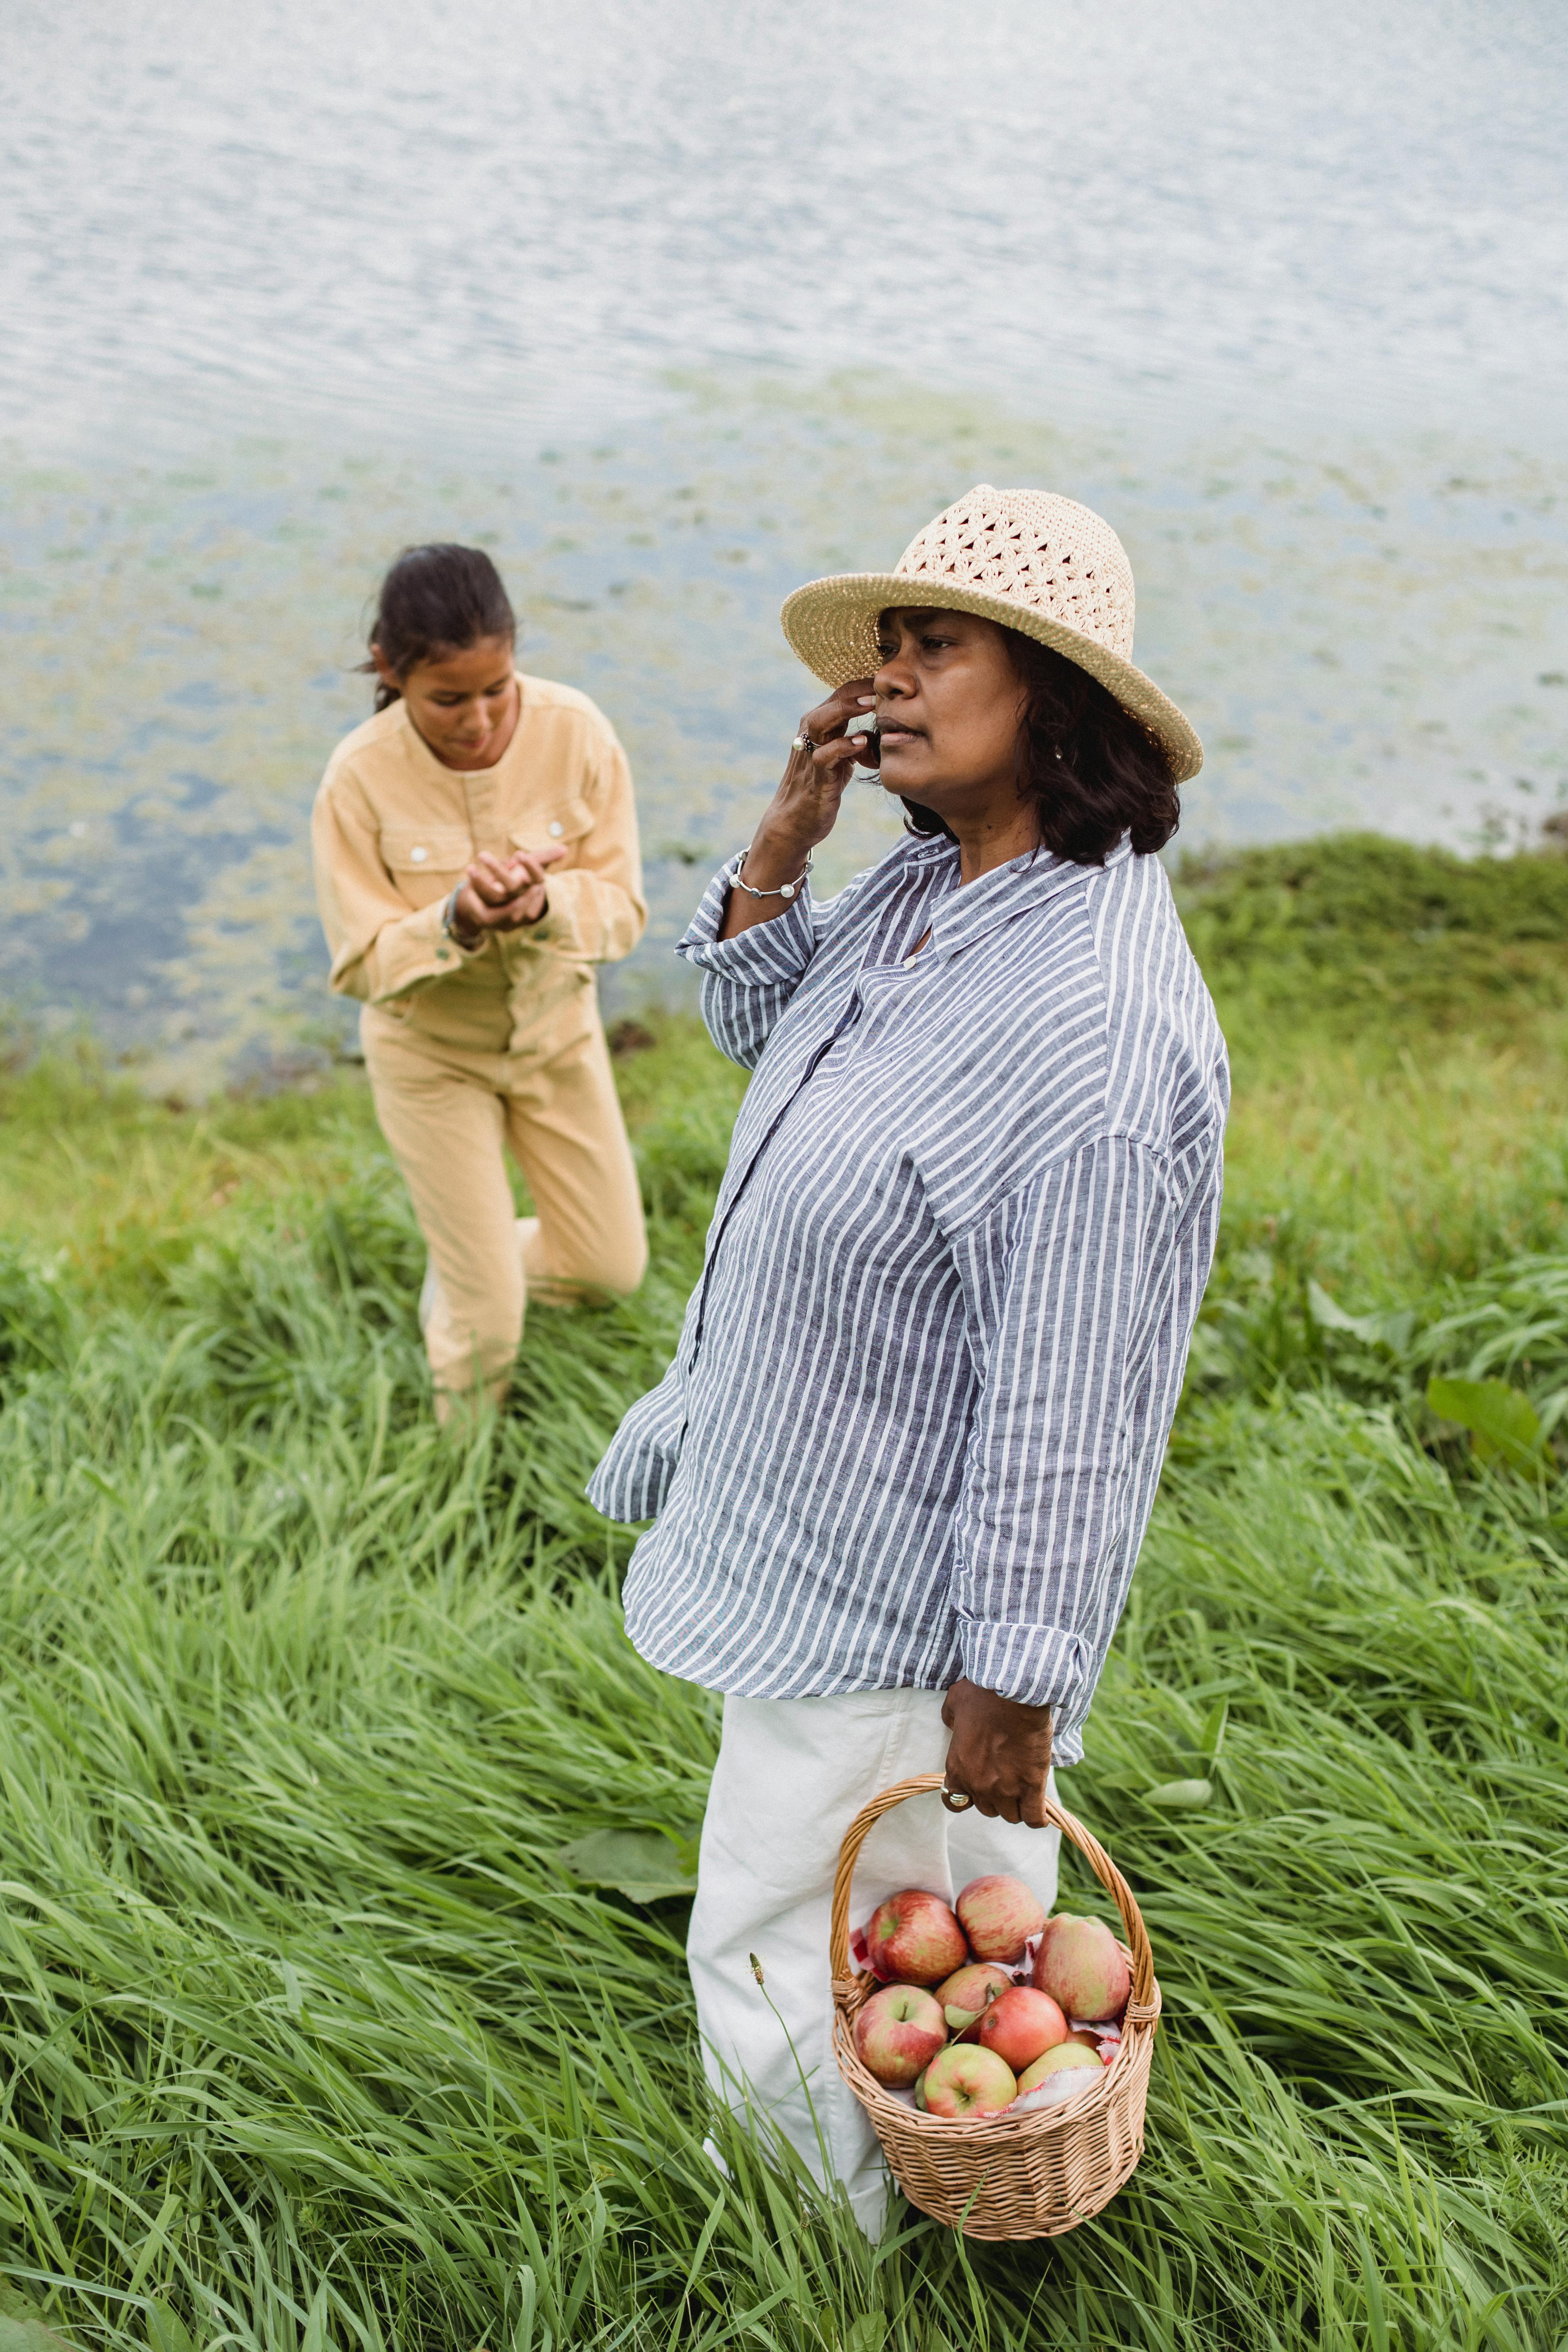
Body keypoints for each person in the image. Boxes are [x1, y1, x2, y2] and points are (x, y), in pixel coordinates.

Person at [588, 485, 1229, 2231]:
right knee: (919, 1943)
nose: (887, 677)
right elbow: (757, 1029)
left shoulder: (1093, 1032)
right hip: (810, 1508)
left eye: (932, 644)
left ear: (1055, 693)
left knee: (774, 1941)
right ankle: (913, 2218)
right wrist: (785, 839)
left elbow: (1075, 1403)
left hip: (888, 1592)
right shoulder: (933, 885)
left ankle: (805, 2264)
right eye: (887, 644)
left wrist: (1010, 1685)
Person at [313, 544, 648, 1418]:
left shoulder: (579, 733)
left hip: (557, 1037)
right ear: (390, 671)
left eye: (496, 690)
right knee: (488, 1317)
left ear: (514, 652)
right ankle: (458, 1480)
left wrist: (547, 906)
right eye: (447, 700)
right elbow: (359, 964)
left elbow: (623, 913)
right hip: (433, 1059)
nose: (479, 721)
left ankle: (467, 1266)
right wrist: (453, 921)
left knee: (608, 1271)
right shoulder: (356, 778)